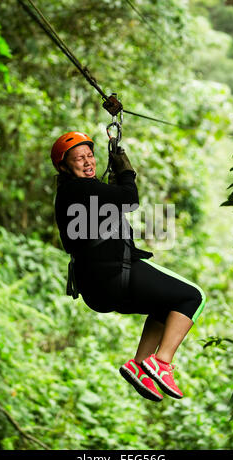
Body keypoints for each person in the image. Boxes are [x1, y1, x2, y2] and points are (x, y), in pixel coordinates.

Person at [52, 131, 206, 402]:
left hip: (98, 288)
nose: (88, 162)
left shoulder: (72, 193)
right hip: (114, 275)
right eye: (79, 159)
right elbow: (130, 198)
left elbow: (112, 205)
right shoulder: (79, 188)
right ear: (64, 166)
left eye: (90, 155)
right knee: (193, 296)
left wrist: (115, 179)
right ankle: (162, 362)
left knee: (165, 306)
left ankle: (140, 365)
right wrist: (126, 171)